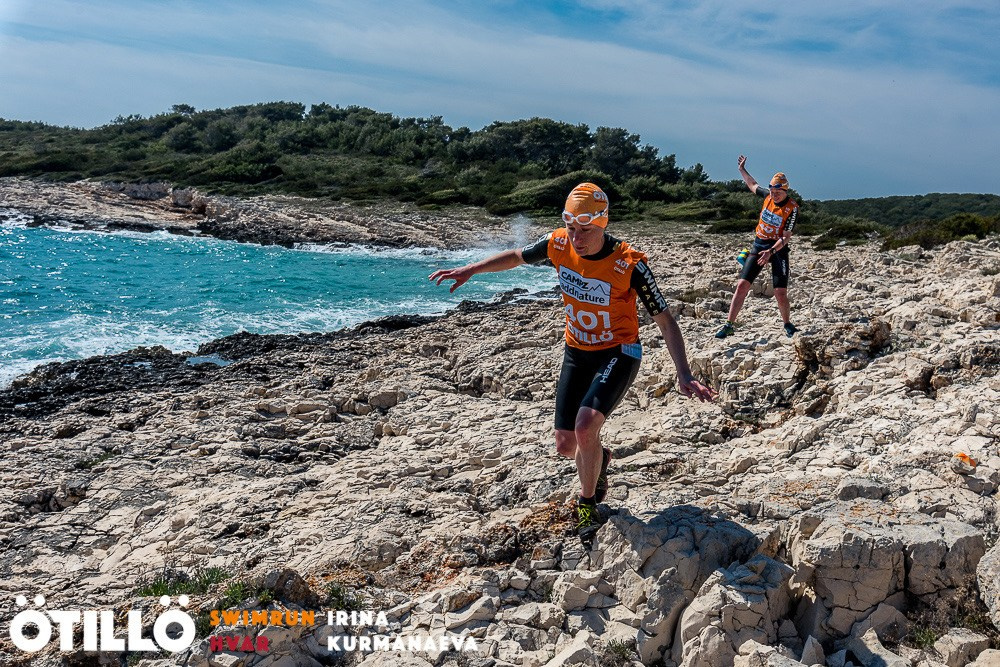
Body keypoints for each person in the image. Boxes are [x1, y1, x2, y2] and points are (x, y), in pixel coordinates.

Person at [430, 182, 716, 542]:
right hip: (577, 351)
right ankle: (600, 460)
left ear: (603, 224)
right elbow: (517, 256)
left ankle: (587, 503)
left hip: (618, 352)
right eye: (572, 229)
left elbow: (665, 320)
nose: (577, 238)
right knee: (567, 445)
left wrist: (684, 372)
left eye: (586, 230)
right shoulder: (558, 244)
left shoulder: (629, 264)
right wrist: (472, 269)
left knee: (585, 427)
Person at [716, 155, 800, 339]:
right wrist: (741, 170)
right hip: (759, 244)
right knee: (742, 285)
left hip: (777, 249)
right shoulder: (767, 196)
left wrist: (771, 251)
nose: (774, 194)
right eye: (771, 190)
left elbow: (786, 238)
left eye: (777, 192)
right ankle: (729, 324)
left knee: (780, 292)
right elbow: (752, 184)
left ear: (785, 191)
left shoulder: (792, 208)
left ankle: (787, 323)